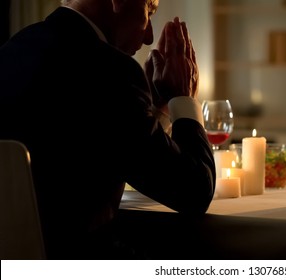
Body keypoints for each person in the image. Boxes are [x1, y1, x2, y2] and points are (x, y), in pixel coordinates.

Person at [0, 0, 215, 259]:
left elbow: (111, 149)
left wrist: (154, 111)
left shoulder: (12, 51)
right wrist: (183, 98)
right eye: (149, 11)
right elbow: (194, 192)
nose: (149, 37)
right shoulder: (111, 71)